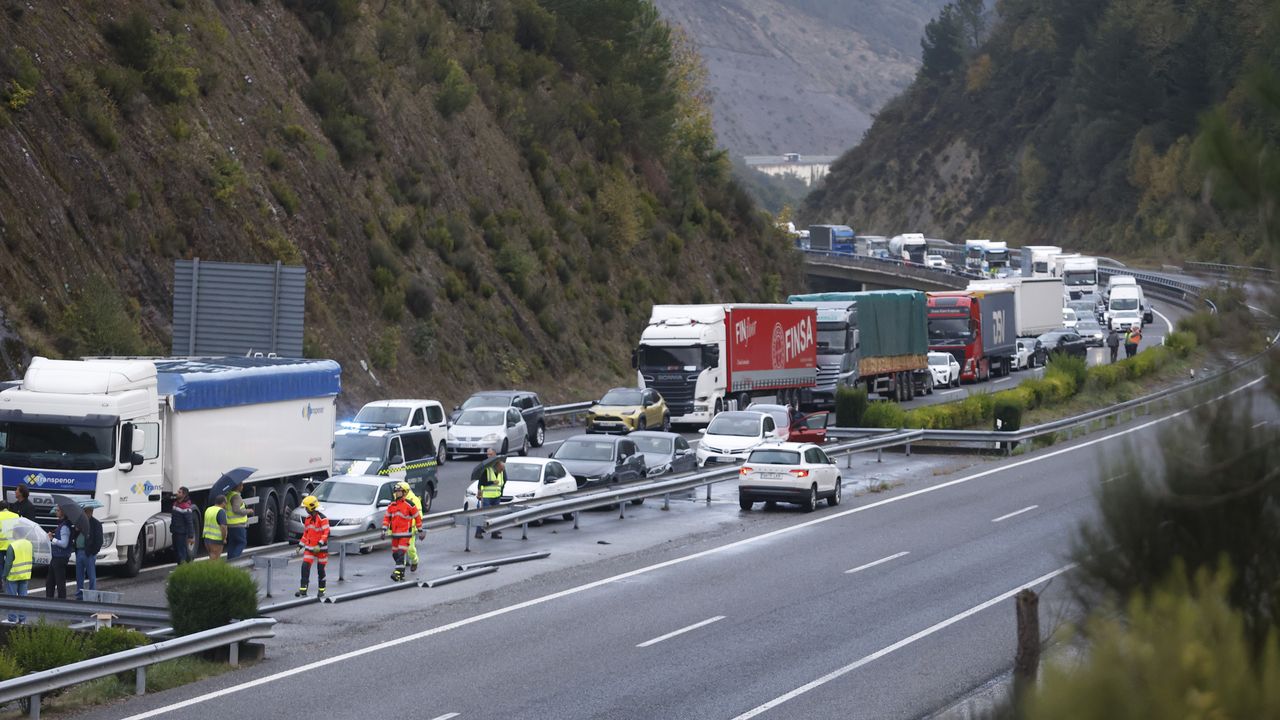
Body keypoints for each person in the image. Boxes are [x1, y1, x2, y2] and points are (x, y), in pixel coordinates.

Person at [380, 485, 421, 582]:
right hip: (395, 535)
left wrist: (420, 530)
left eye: (399, 491)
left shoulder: (409, 504)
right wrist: (383, 530)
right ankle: (401, 574)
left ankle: (397, 573)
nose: (397, 493)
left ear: (404, 493)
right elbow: (387, 518)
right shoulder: (391, 505)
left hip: (405, 534)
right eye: (396, 491)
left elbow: (417, 517)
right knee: (395, 555)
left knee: (400, 553)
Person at [295, 495, 330, 597]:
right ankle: (303, 590)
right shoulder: (308, 519)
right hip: (310, 548)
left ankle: (321, 590)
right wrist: (300, 545)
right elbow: (306, 534)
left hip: (321, 549)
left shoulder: (323, 519)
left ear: (311, 507)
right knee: (305, 567)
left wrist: (319, 544)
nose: (305, 510)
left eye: (306, 508)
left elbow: (326, 533)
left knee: (321, 570)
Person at [73, 505, 103, 600]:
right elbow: (75, 536)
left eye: (86, 511)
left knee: (91, 575)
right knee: (79, 575)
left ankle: (92, 594)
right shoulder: (80, 522)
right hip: (79, 551)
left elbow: (99, 540)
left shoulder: (96, 524)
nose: (84, 513)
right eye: (84, 511)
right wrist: (77, 530)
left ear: (91, 512)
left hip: (89, 553)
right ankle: (79, 594)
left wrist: (93, 552)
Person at [474, 450, 505, 540]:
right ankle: (478, 532)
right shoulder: (486, 469)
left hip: (497, 496)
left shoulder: (501, 470)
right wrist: (491, 482)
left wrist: (501, 492)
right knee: (484, 515)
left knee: (495, 515)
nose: (501, 471)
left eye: (490, 454)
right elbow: (481, 482)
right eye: (487, 454)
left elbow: (504, 481)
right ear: (498, 467)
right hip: (487, 496)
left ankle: (494, 533)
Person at [397, 481, 425, 573]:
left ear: (405, 491)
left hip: (410, 529)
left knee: (410, 549)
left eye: (400, 490)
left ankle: (415, 561)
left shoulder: (414, 500)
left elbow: (419, 515)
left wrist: (418, 528)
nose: (397, 492)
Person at [46, 507, 71, 599]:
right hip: (56, 556)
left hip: (60, 557)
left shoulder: (64, 527)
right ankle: (49, 600)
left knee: (59, 581)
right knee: (50, 582)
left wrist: (52, 539)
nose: (56, 512)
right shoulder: (62, 525)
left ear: (63, 513)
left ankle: (61, 601)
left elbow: (64, 544)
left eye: (58, 510)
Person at [224, 481, 254, 559]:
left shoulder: (229, 495)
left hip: (230, 524)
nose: (243, 487)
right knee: (242, 542)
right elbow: (236, 510)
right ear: (238, 486)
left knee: (232, 543)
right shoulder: (236, 496)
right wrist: (248, 511)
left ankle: (230, 560)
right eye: (242, 485)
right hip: (238, 525)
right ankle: (234, 560)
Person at [170, 487, 196, 564]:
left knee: (181, 552)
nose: (177, 493)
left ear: (184, 495)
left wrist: (191, 536)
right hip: (175, 531)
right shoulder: (175, 504)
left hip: (181, 533)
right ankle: (180, 566)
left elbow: (190, 522)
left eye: (179, 492)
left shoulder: (186, 507)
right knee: (177, 552)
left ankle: (183, 568)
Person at [203, 495, 229, 561]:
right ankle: (211, 571)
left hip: (207, 538)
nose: (226, 504)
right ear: (223, 503)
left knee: (212, 557)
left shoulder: (209, 509)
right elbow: (223, 527)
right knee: (215, 559)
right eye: (226, 502)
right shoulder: (221, 511)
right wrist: (224, 539)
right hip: (216, 539)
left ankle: (210, 570)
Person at [0, 501, 17, 588]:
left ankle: (0, 584)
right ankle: (9, 583)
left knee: (0, 565)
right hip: (11, 545)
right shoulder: (15, 516)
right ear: (8, 507)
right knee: (10, 564)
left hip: (0, 545)